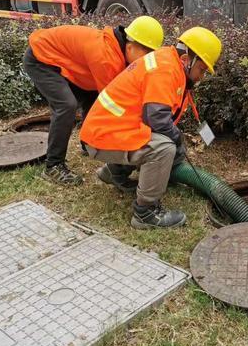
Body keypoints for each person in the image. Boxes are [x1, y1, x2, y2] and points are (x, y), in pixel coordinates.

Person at [80, 27, 222, 229]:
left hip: (107, 132)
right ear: (186, 60)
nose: (202, 77)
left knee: (159, 139)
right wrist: (178, 140)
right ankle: (145, 213)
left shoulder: (169, 62)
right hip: (102, 137)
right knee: (163, 147)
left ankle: (114, 172)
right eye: (202, 69)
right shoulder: (165, 69)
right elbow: (157, 119)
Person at [23, 16, 164, 186]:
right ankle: (53, 165)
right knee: (66, 106)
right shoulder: (107, 58)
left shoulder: (119, 49)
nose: (147, 60)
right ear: (130, 46)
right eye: (146, 53)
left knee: (92, 95)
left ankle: (88, 143)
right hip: (41, 58)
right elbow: (116, 104)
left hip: (65, 61)